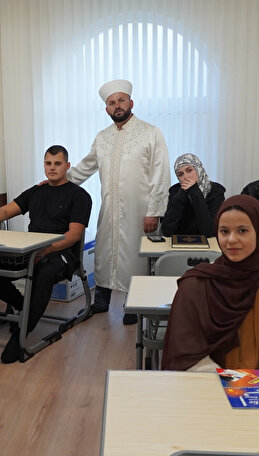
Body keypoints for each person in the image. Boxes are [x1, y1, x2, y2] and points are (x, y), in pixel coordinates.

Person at [161, 195, 259, 373]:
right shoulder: (195, 285)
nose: (231, 239)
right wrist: (235, 385)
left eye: (242, 231)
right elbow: (188, 357)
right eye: (224, 231)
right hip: (207, 386)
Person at [0, 145, 92, 363]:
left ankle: (21, 332)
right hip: (32, 250)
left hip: (62, 252)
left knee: (44, 273)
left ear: (67, 166)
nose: (52, 168)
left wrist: (45, 250)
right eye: (48, 163)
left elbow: (74, 235)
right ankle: (25, 306)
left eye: (57, 164)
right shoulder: (36, 192)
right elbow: (6, 210)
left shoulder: (79, 196)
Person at [67, 79, 170, 324]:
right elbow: (85, 167)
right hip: (109, 210)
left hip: (140, 212)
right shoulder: (102, 138)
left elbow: (161, 174)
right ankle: (101, 301)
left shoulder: (151, 133)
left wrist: (154, 211)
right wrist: (60, 180)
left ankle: (133, 304)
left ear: (131, 102)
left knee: (135, 258)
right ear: (107, 109)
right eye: (112, 103)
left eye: (121, 100)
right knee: (105, 253)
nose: (117, 106)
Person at [160, 153, 226, 237]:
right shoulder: (175, 192)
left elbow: (209, 232)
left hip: (207, 243)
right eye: (180, 174)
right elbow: (167, 231)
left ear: (198, 169)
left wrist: (195, 192)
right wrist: (182, 194)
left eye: (189, 170)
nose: (186, 177)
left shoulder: (216, 192)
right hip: (180, 242)